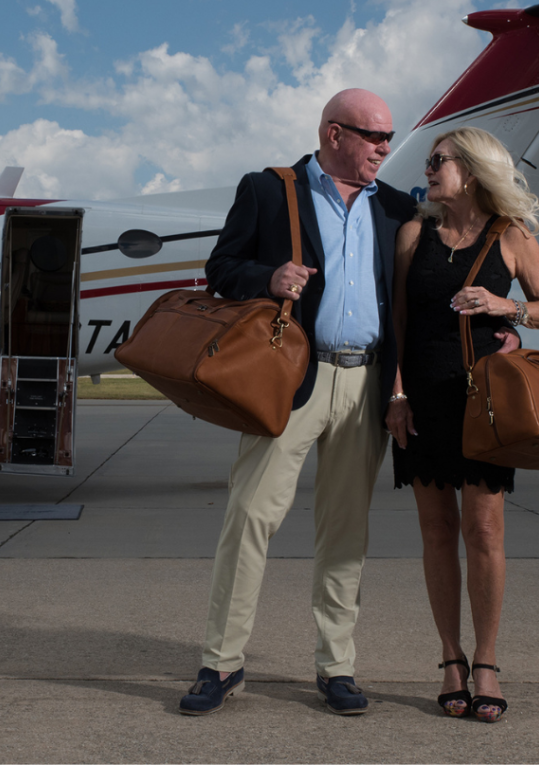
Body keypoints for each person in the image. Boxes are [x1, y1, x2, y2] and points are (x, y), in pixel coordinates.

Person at [179, 89, 416, 718]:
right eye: (375, 137)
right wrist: (268, 278)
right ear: (335, 134)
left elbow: (407, 306)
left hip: (365, 385)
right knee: (250, 517)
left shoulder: (394, 207)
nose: (385, 149)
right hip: (292, 381)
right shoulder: (268, 189)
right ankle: (222, 663)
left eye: (389, 137)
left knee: (346, 533)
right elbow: (221, 268)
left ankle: (336, 668)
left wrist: (399, 386)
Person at [385, 126, 539, 724]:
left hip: (484, 404)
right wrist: (398, 394)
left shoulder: (512, 237)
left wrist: (502, 307)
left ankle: (486, 660)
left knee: (483, 531)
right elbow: (400, 324)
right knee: (436, 531)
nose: (428, 171)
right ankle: (450, 658)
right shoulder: (415, 234)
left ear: (473, 169)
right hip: (424, 401)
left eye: (438, 162)